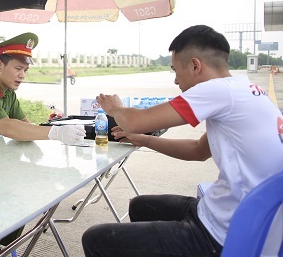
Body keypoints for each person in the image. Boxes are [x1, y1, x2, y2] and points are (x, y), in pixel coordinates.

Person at [82, 25, 283, 257]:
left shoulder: (217, 90)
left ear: (195, 66)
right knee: (141, 206)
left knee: (96, 239)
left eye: (175, 70)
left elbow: (136, 121)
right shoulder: (246, 90)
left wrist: (116, 108)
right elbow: (198, 150)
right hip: (237, 215)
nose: (176, 80)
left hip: (223, 234)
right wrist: (144, 140)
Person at [0, 32, 86, 147]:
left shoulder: (8, 92)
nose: (22, 75)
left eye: (25, 70)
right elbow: (6, 127)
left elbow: (24, 126)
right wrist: (55, 132)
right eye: (18, 69)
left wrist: (50, 128)